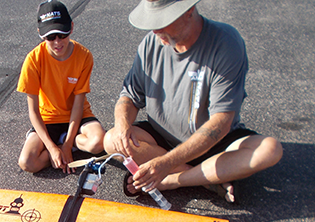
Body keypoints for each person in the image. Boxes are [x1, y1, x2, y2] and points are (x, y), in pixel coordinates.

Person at [104, 0, 282, 203]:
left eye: (162, 20)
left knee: (269, 150)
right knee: (112, 139)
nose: (155, 30)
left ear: (188, 10)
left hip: (215, 144)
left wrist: (165, 164)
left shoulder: (225, 42)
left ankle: (173, 181)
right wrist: (122, 124)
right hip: (163, 140)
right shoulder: (150, 43)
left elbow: (222, 122)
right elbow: (129, 95)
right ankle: (207, 179)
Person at [17, 0, 105, 174]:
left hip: (77, 116)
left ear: (71, 27)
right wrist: (52, 148)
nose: (57, 41)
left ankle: (67, 143)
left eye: (62, 34)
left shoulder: (84, 55)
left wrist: (66, 144)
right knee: (27, 163)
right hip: (48, 118)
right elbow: (33, 112)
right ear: (40, 35)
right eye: (50, 37)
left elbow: (78, 104)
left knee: (98, 142)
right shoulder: (33, 60)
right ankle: (58, 147)